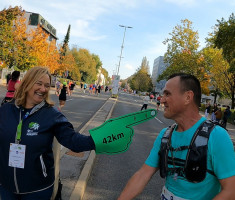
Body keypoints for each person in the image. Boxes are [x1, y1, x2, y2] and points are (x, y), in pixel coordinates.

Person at [118, 73, 235, 200]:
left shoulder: (217, 136)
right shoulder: (165, 135)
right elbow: (143, 174)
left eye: (167, 94)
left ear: (187, 97)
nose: (162, 100)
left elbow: (231, 191)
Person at [0, 67, 96, 200]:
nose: (43, 89)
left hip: (37, 189)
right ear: (27, 83)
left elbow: (73, 140)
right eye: (39, 84)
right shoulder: (6, 110)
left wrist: (98, 140)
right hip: (6, 186)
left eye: (46, 85)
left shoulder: (52, 115)